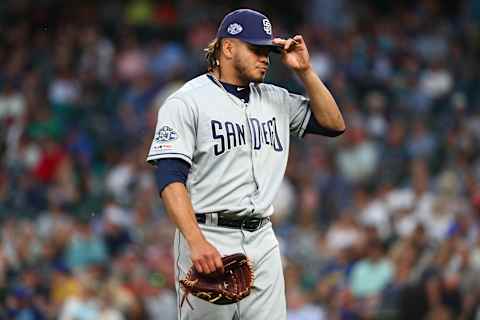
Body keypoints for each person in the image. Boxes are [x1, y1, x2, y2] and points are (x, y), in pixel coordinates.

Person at [146, 8, 345, 320]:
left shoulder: (276, 98)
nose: (264, 57)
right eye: (255, 49)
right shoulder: (186, 102)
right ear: (227, 48)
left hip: (263, 237)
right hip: (207, 236)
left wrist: (305, 71)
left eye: (267, 51)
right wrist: (196, 242)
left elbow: (334, 124)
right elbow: (170, 178)